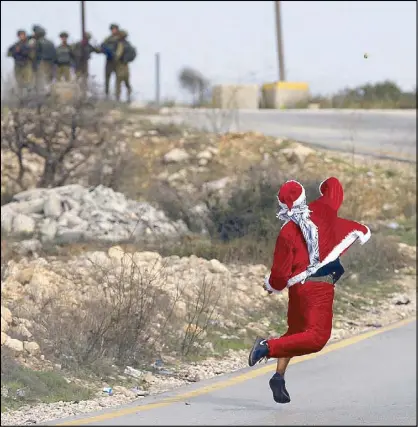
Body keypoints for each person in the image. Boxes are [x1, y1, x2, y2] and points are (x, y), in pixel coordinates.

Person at [248, 177, 371, 404]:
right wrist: (325, 185)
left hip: (298, 290)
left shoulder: (287, 231)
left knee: (296, 334)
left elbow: (280, 274)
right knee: (316, 338)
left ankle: (278, 377)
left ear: (282, 206)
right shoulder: (322, 208)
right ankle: (266, 347)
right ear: (304, 195)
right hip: (319, 287)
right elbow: (334, 186)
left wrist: (272, 286)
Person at [114, 30, 136, 103]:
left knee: (118, 83)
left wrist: (114, 58)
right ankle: (129, 98)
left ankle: (118, 100)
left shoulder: (120, 44)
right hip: (126, 66)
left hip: (120, 65)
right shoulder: (128, 44)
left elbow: (118, 55)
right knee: (127, 83)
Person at [101, 23, 120, 98]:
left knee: (118, 79)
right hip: (109, 60)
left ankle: (117, 96)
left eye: (115, 29)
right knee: (107, 78)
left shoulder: (120, 39)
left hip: (117, 61)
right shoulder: (108, 39)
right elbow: (102, 46)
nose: (113, 31)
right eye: (112, 29)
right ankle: (107, 95)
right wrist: (106, 51)